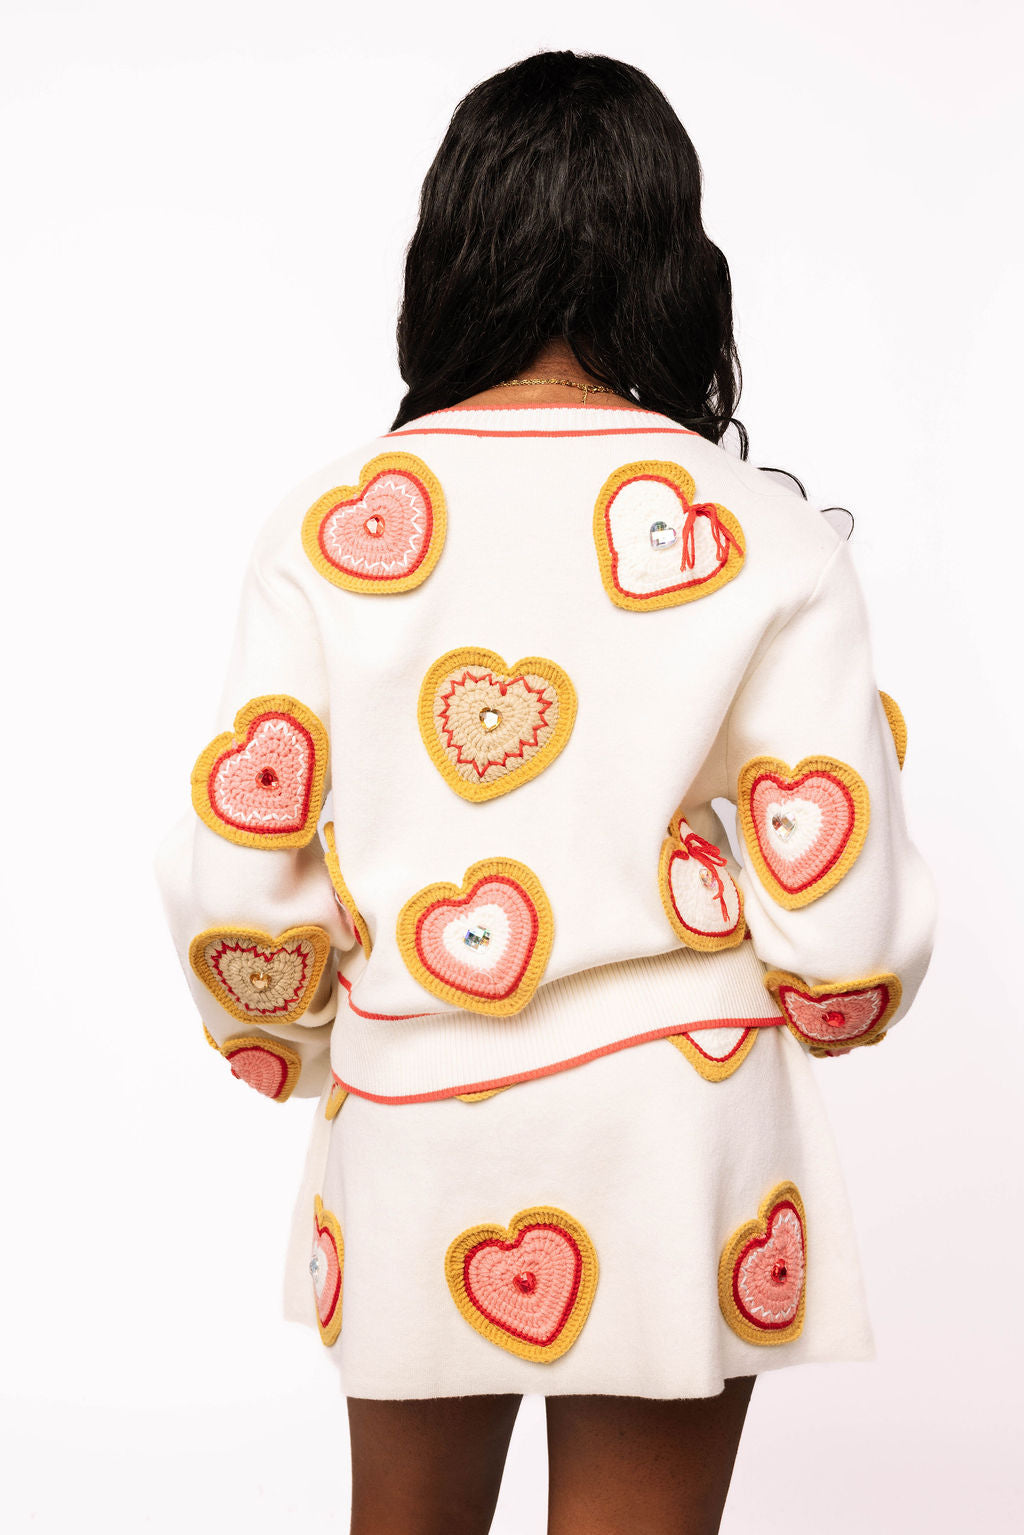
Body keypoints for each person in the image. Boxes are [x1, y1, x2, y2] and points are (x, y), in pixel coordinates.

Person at [154, 48, 937, 1535]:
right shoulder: (766, 536)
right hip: (679, 1109)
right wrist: (803, 974)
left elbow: (238, 870)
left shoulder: (329, 525)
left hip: (415, 1099)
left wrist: (303, 1042)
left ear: (449, 247)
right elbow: (842, 928)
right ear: (674, 258)